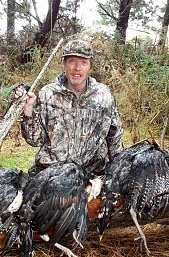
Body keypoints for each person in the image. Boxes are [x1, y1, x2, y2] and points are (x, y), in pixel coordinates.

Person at [15, 39, 123, 176]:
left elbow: (115, 137)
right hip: (52, 173)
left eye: (83, 62)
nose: (77, 68)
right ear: (64, 64)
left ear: (90, 67)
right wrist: (28, 111)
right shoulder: (48, 93)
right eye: (72, 61)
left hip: (92, 174)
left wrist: (118, 172)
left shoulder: (104, 95)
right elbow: (35, 140)